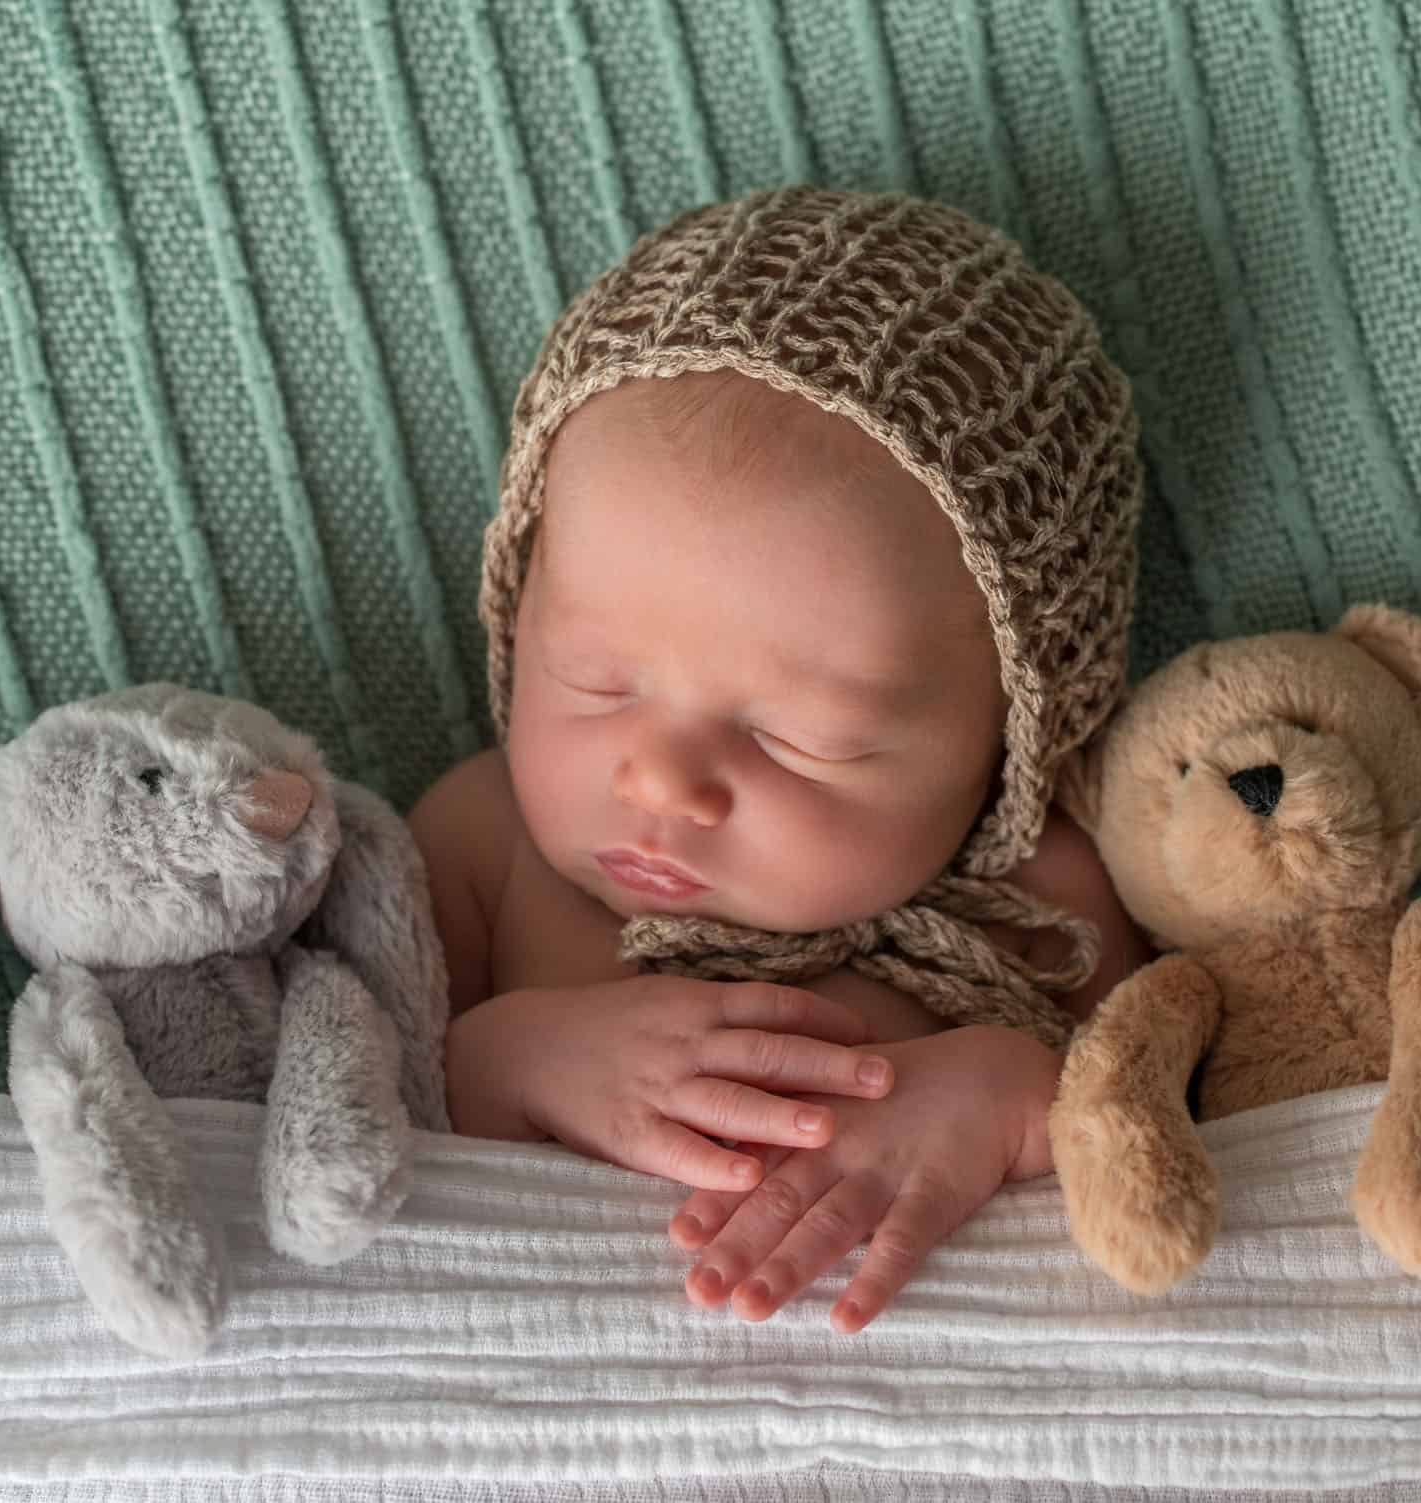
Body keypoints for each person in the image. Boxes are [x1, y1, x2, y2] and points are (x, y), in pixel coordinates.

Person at [409, 187, 1150, 1333]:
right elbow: (353, 1099)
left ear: (1014, 735)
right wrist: (508, 1058)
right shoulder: (478, 846)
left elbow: (1171, 1104)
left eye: (803, 738)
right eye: (592, 678)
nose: (662, 780)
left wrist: (1007, 1091)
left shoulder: (1052, 909)